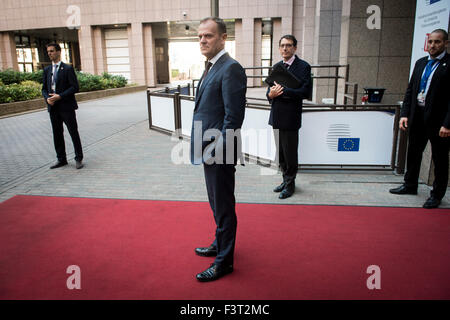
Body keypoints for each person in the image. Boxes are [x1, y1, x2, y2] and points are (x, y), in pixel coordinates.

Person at [190, 17, 247, 282]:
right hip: (208, 148)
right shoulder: (211, 66)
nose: (202, 40)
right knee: (215, 202)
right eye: (200, 36)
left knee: (223, 205)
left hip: (219, 152)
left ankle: (224, 262)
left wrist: (217, 151)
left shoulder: (231, 68)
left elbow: (233, 118)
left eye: (208, 36)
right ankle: (218, 243)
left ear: (223, 37)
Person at [389, 29, 450, 209]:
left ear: (445, 43)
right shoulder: (421, 63)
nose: (432, 45)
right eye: (430, 42)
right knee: (413, 153)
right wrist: (405, 113)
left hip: (439, 122)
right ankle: (410, 185)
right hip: (417, 117)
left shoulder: (449, 64)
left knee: (439, 159)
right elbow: (410, 91)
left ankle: (436, 195)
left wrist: (447, 124)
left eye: (437, 42)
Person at [266, 35, 312, 199]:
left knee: (290, 153)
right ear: (279, 48)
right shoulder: (277, 67)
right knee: (281, 153)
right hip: (277, 115)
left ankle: (290, 184)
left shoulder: (304, 67)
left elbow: (305, 92)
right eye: (282, 46)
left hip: (291, 117)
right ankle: (285, 180)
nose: (285, 48)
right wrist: (271, 94)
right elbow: (269, 92)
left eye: (289, 45)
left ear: (295, 48)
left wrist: (283, 91)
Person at [42, 43, 83, 170]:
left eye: (52, 51)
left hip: (66, 107)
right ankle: (61, 159)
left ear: (59, 52)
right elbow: (44, 89)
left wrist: (60, 96)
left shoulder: (68, 69)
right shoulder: (47, 70)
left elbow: (74, 87)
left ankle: (78, 158)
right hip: (53, 108)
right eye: (48, 51)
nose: (49, 53)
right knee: (57, 133)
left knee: (73, 132)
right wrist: (47, 99)